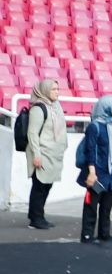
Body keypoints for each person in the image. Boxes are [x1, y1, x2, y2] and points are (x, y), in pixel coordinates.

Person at [77, 95, 112, 244]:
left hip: (111, 174)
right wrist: (92, 172)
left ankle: (104, 233)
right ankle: (87, 234)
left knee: (107, 205)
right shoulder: (95, 127)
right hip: (98, 173)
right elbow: (90, 150)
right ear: (106, 107)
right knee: (92, 205)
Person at [24, 78, 67, 230]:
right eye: (53, 89)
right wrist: (36, 154)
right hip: (42, 153)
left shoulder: (54, 106)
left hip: (52, 154)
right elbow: (32, 133)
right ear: (44, 90)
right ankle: (35, 219)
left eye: (58, 89)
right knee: (39, 186)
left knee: (46, 186)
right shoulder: (39, 108)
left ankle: (39, 216)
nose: (57, 92)